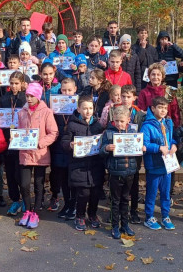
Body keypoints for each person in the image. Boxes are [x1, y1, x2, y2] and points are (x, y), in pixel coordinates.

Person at [17, 83, 58, 229]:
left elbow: (53, 132)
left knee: (39, 184)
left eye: (31, 96)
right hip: (25, 154)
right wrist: (15, 139)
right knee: (24, 184)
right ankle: (27, 210)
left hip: (40, 154)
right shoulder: (21, 112)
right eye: (27, 96)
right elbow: (19, 131)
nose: (28, 98)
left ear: (38, 96)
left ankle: (36, 211)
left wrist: (40, 143)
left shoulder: (46, 112)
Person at [62, 95, 104, 231]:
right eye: (85, 108)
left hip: (95, 166)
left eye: (90, 108)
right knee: (83, 193)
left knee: (95, 193)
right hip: (79, 166)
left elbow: (102, 142)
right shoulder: (72, 125)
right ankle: (80, 216)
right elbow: (64, 142)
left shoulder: (97, 125)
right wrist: (70, 145)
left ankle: (92, 214)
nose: (88, 111)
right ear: (78, 109)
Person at [100, 105, 142, 239]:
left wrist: (142, 148)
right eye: (117, 121)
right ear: (113, 120)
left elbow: (138, 150)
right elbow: (100, 151)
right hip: (115, 173)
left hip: (130, 171)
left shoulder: (133, 133)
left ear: (128, 120)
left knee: (125, 199)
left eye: (122, 121)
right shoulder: (108, 133)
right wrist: (106, 147)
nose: (119, 123)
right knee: (115, 201)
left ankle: (125, 225)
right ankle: (114, 226)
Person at [142, 96, 177, 230]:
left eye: (165, 108)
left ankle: (165, 215)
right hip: (154, 164)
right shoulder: (147, 125)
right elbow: (144, 144)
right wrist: (158, 148)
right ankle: (149, 217)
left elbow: (171, 138)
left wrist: (174, 145)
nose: (163, 110)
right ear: (153, 108)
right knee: (151, 193)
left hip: (167, 164)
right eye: (160, 107)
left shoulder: (168, 123)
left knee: (165, 193)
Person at [47, 77, 77, 217]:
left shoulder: (79, 105)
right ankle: (66, 204)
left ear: (75, 90)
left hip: (74, 146)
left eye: (69, 90)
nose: (66, 93)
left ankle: (74, 205)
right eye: (64, 90)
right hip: (58, 146)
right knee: (63, 177)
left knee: (73, 178)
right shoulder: (54, 104)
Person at [0, 72, 27, 217]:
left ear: (22, 84)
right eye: (12, 83)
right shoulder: (4, 99)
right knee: (9, 174)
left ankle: (25, 200)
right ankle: (15, 199)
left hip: (21, 141)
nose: (14, 86)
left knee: (21, 174)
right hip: (7, 140)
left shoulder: (25, 99)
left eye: (17, 83)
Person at [120, 84, 146, 223]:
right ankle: (117, 211)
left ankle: (134, 210)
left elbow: (143, 133)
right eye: (123, 96)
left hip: (135, 154)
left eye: (128, 97)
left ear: (134, 98)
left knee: (134, 183)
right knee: (118, 183)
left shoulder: (140, 114)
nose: (125, 99)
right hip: (119, 153)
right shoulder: (114, 111)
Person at [137, 62, 180, 127]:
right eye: (153, 74)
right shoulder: (144, 92)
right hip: (150, 126)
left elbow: (175, 112)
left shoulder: (169, 91)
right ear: (149, 76)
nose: (155, 77)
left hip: (167, 126)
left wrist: (176, 127)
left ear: (162, 76)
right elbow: (141, 112)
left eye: (158, 75)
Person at [132, 26, 159, 90]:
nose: (143, 35)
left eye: (145, 33)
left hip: (150, 75)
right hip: (139, 75)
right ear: (138, 34)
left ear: (147, 35)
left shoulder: (152, 49)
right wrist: (142, 48)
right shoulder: (133, 48)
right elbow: (137, 61)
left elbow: (155, 61)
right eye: (141, 33)